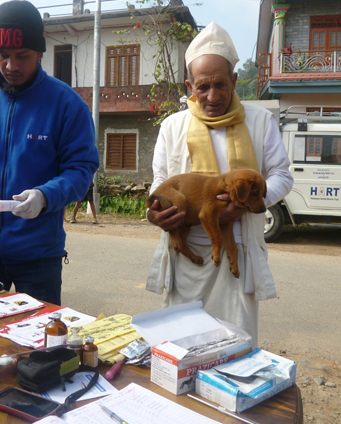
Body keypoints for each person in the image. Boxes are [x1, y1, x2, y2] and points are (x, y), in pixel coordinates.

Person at [0, 0, 99, 306]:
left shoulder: (67, 105)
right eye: (2, 55)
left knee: (39, 346)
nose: (11, 66)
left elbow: (81, 169)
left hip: (38, 256)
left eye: (22, 56)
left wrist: (45, 196)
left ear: (40, 52)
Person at [145, 22, 293, 346]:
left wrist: (241, 207)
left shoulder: (259, 122)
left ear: (235, 81)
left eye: (221, 85)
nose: (212, 97)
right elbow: (160, 182)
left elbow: (282, 175)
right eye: (203, 87)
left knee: (233, 350)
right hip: (186, 258)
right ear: (189, 86)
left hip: (235, 255)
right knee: (182, 349)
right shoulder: (172, 126)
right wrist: (154, 214)